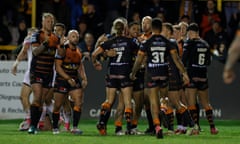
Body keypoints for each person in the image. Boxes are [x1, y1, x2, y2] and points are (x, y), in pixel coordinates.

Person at [130, 18, 190, 139]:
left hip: (151, 74)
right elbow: (176, 60)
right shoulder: (169, 42)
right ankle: (163, 107)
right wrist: (184, 73)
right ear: (161, 29)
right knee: (164, 98)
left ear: (152, 28)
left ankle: (157, 126)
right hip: (164, 74)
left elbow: (139, 60)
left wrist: (133, 73)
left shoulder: (146, 42)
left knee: (153, 102)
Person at [92, 19, 139, 135]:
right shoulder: (130, 42)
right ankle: (128, 129)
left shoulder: (110, 41)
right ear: (125, 29)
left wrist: (95, 63)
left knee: (109, 101)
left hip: (112, 73)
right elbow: (142, 51)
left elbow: (94, 54)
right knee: (128, 103)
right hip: (124, 73)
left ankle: (102, 124)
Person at [182, 23, 218, 135]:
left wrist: (184, 73)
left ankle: (196, 127)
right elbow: (208, 62)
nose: (188, 35)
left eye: (188, 33)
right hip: (203, 77)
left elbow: (183, 59)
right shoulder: (205, 44)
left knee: (191, 103)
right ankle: (212, 127)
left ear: (191, 32)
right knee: (206, 103)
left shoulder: (189, 43)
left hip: (192, 76)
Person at [27, 12, 59, 134]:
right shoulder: (37, 35)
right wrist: (46, 43)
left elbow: (60, 53)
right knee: (37, 97)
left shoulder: (55, 38)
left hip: (48, 73)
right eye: (47, 21)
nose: (49, 23)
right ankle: (32, 126)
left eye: (51, 21)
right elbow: (35, 52)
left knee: (40, 101)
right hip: (37, 71)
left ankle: (35, 125)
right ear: (42, 22)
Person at [52, 30, 87, 135]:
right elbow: (58, 68)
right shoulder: (63, 50)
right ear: (68, 37)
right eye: (73, 36)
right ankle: (55, 127)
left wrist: (84, 77)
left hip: (74, 78)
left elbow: (80, 65)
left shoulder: (79, 51)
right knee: (57, 105)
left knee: (79, 101)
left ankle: (75, 127)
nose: (75, 38)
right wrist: (68, 79)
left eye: (76, 36)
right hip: (62, 79)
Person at [11, 27, 38, 131]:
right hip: (31, 71)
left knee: (44, 100)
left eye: (32, 33)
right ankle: (29, 118)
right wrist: (16, 63)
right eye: (29, 33)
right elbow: (23, 52)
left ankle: (60, 118)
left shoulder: (42, 40)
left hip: (41, 71)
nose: (30, 35)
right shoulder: (28, 41)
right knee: (23, 97)